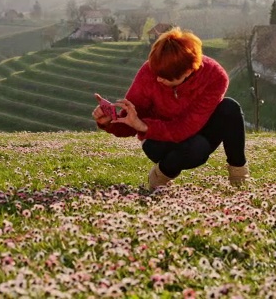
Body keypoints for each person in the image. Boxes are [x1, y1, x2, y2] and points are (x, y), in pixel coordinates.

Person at [92, 27, 250, 191]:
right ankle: (161, 175)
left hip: (195, 133)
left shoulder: (214, 76)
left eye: (165, 77)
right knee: (193, 148)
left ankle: (238, 176)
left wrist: (143, 126)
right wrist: (110, 121)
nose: (158, 79)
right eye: (157, 73)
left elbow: (185, 127)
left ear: (188, 71)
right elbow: (130, 121)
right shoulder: (150, 71)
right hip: (158, 142)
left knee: (229, 108)